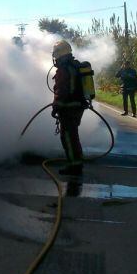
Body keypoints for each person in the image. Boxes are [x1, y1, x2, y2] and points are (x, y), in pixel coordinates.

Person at [50, 40, 87, 175]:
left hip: (68, 108)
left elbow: (62, 90)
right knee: (73, 135)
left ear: (59, 54)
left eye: (55, 54)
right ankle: (77, 161)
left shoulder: (63, 69)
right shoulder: (75, 65)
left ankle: (74, 166)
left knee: (67, 137)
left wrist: (56, 106)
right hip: (78, 106)